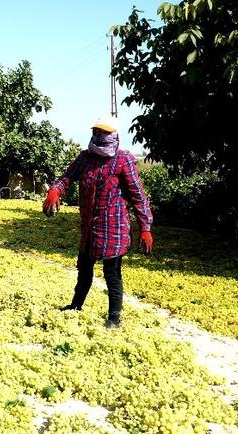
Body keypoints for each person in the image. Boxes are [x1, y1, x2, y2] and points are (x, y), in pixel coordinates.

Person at [42, 115, 153, 328]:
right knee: (84, 268)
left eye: (105, 132)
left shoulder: (123, 160)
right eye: (97, 132)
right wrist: (55, 190)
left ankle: (114, 318)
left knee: (112, 274)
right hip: (89, 228)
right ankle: (76, 306)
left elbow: (138, 196)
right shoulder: (85, 159)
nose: (100, 136)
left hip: (114, 228)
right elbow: (66, 178)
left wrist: (145, 227)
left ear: (114, 135)